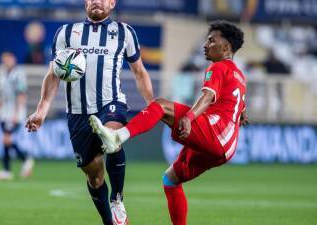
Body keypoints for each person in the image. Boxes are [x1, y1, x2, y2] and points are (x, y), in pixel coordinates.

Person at [89, 21, 248, 225]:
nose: (206, 45)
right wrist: (242, 115)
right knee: (170, 179)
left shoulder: (217, 67)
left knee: (161, 106)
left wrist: (189, 118)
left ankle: (117, 136)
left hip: (215, 133)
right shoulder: (240, 76)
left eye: (211, 40)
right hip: (227, 147)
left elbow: (207, 97)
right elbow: (239, 106)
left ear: (226, 47)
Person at [25, 0, 154, 224]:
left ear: (112, 3)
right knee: (94, 177)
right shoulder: (66, 33)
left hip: (111, 102)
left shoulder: (124, 32)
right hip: (78, 112)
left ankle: (117, 199)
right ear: (85, 3)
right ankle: (109, 221)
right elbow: (53, 75)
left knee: (113, 138)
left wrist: (153, 105)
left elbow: (140, 72)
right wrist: (41, 111)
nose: (97, 1)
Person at [0, 51, 35, 181]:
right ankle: (8, 170)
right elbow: (0, 94)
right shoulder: (2, 75)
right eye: (4, 60)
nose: (6, 62)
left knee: (7, 139)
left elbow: (21, 94)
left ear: (13, 59)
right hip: (4, 113)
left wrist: (17, 114)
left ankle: (24, 161)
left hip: (14, 113)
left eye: (8, 59)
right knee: (6, 141)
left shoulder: (18, 74)